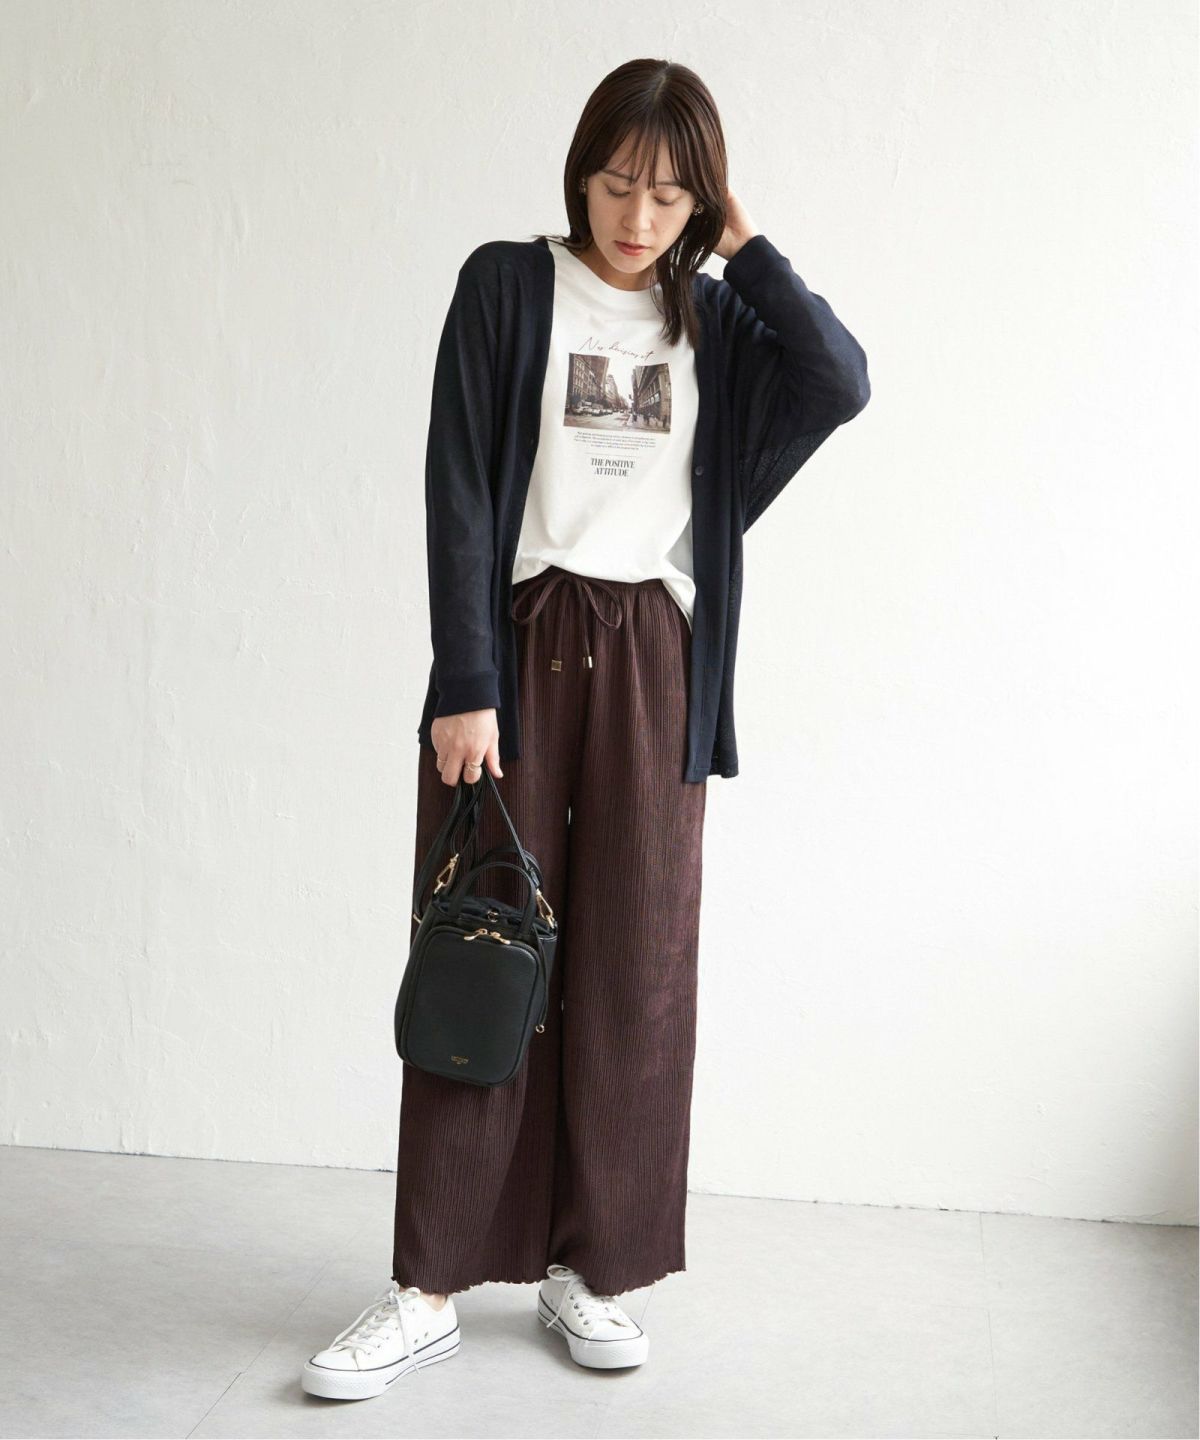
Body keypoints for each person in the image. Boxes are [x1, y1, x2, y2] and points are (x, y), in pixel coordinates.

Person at [301, 56, 870, 1401]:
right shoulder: (507, 287)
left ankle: (591, 1268)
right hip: (518, 641)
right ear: (582, 173)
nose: (638, 216)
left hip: (657, 658)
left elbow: (840, 380)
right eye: (619, 183)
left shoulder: (719, 319)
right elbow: (458, 481)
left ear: (702, 204)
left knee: (635, 961)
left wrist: (748, 247)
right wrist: (464, 679)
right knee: (480, 943)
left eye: (671, 196)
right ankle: (429, 1284)